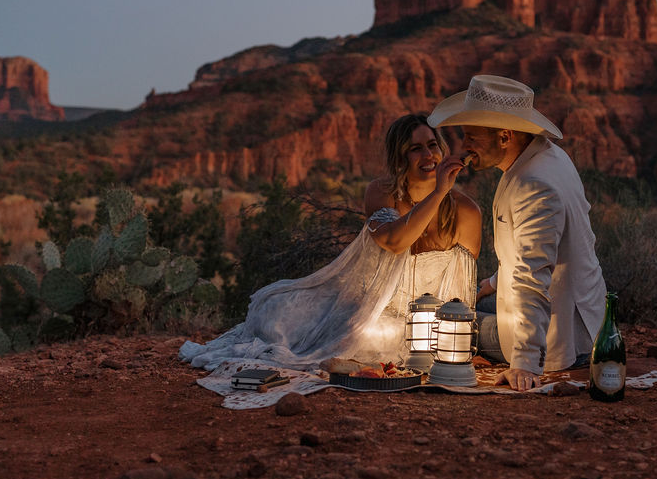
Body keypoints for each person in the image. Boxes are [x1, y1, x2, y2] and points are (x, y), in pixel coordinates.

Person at [179, 114, 481, 372]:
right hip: (366, 305)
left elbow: (462, 291)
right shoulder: (382, 192)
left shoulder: (466, 211)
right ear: (399, 157)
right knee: (274, 308)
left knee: (366, 335)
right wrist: (439, 192)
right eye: (415, 149)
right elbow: (393, 241)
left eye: (432, 145)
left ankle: (352, 356)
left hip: (417, 324)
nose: (428, 156)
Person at [429, 75, 607, 392]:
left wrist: (524, 363)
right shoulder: (545, 157)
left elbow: (532, 274)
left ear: (505, 136)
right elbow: (539, 246)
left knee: (444, 324)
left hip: (559, 334)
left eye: (471, 136)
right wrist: (490, 284)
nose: (464, 146)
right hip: (579, 313)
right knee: (464, 303)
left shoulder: (534, 185)